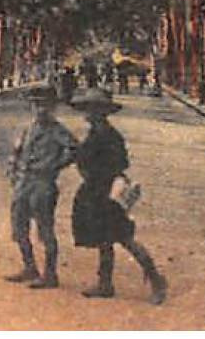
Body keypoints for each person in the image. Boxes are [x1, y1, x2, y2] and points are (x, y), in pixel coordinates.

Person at [71, 88, 167, 303]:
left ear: (100, 112)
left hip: (107, 192)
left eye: (91, 109)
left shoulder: (108, 135)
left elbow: (120, 163)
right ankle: (105, 284)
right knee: (104, 240)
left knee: (124, 238)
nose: (87, 113)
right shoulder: (96, 133)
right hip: (95, 191)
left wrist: (94, 168)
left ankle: (156, 279)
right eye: (86, 108)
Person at [5, 86, 78, 288]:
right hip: (24, 181)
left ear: (53, 107)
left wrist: (54, 165)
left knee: (45, 228)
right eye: (36, 105)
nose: (40, 109)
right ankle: (30, 267)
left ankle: (50, 274)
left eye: (45, 105)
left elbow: (73, 149)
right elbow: (16, 151)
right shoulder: (28, 129)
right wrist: (12, 169)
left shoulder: (57, 130)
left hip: (43, 183)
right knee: (19, 226)